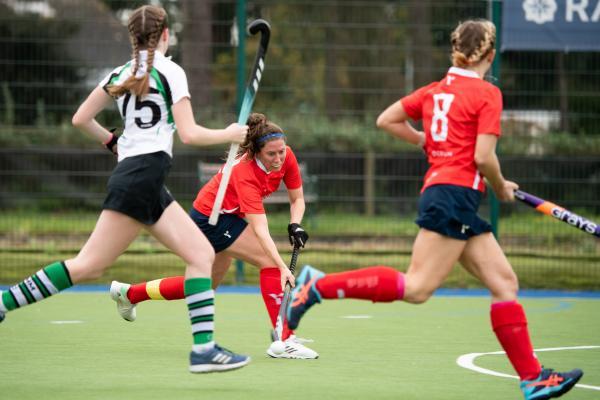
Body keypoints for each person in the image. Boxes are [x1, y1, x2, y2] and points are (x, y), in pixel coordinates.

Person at [285, 19, 583, 400]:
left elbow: (386, 119)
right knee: (418, 287)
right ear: (489, 56)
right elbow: (483, 156)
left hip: (449, 193)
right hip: (454, 195)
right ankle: (316, 286)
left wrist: (425, 141)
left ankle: (533, 378)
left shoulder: (434, 91)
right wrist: (500, 186)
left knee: (504, 283)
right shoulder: (487, 94)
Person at [0, 5, 251, 374]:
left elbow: (80, 119)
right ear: (165, 34)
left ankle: (204, 350)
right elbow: (191, 133)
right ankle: (4, 300)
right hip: (140, 178)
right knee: (88, 266)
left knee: (200, 253)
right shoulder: (171, 71)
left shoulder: (121, 72)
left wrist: (112, 143)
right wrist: (229, 134)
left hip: (141, 177)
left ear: (133, 38)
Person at [109, 112, 318, 359]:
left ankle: (129, 294)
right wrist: (283, 267)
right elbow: (260, 229)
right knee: (270, 262)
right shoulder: (245, 172)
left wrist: (296, 224)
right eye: (271, 154)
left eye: (281, 151)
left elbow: (298, 199)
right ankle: (285, 339)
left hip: (225, 217)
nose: (278, 158)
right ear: (256, 152)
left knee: (204, 285)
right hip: (211, 219)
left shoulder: (286, 155)